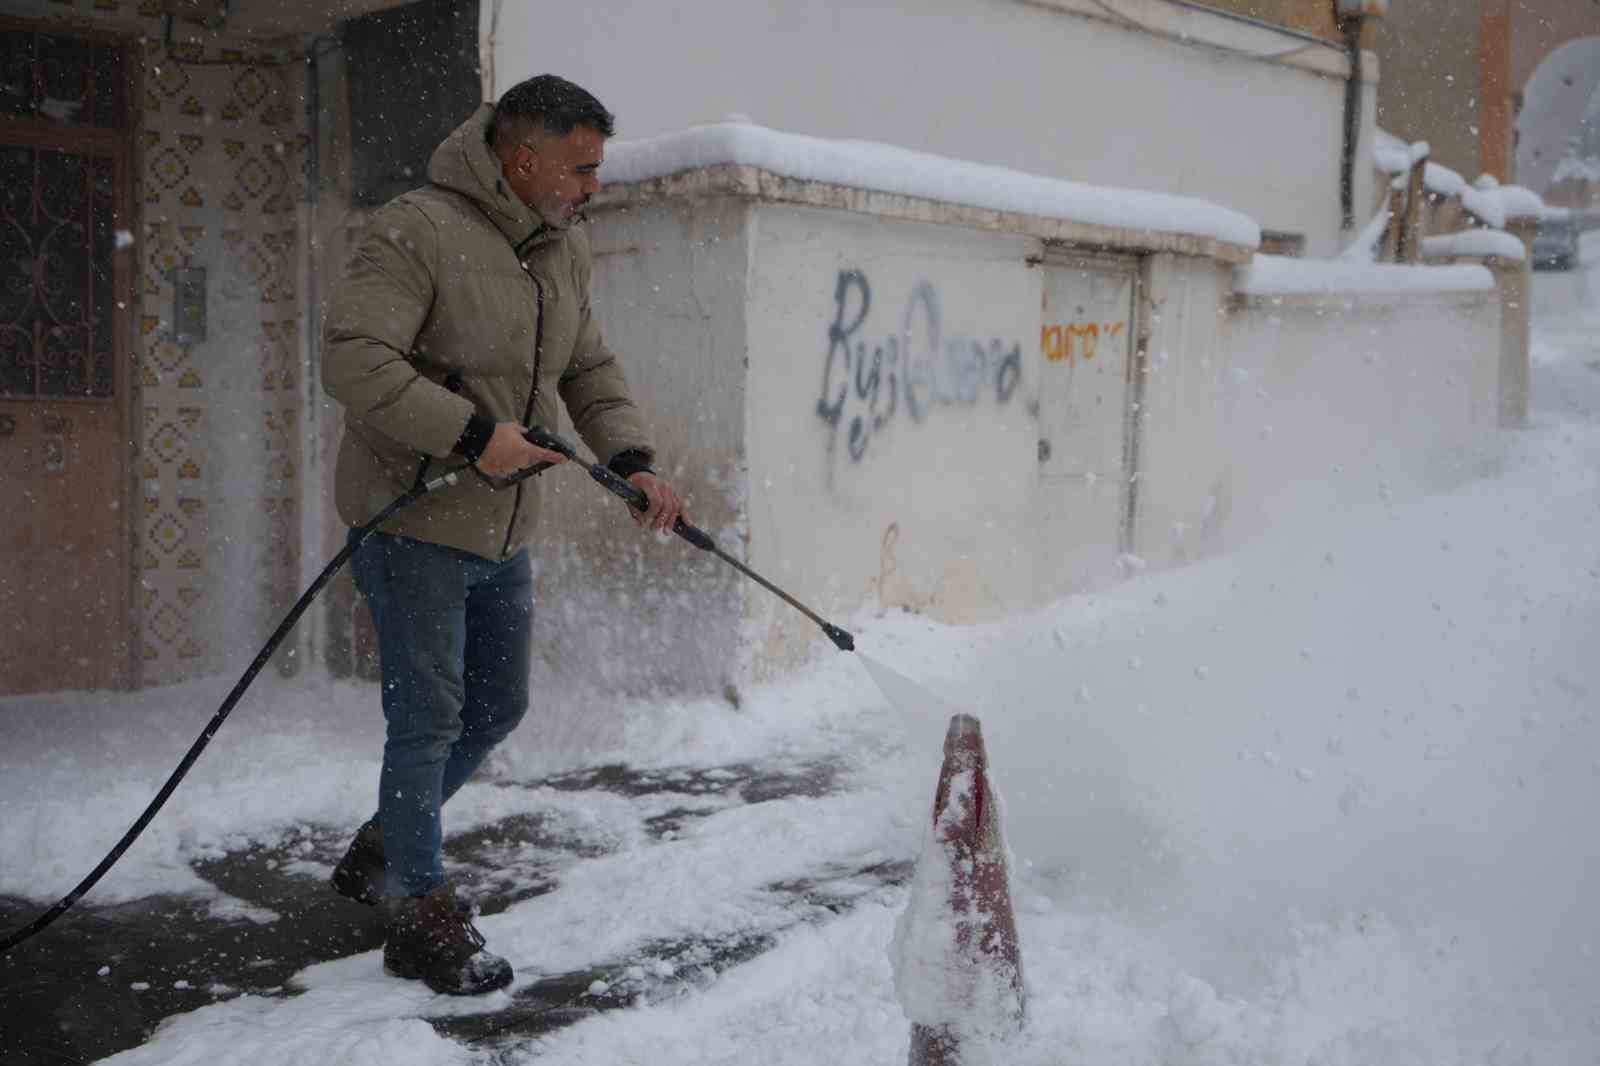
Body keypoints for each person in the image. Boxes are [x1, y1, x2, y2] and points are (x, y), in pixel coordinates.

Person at [320, 75, 684, 996]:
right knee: (429, 718)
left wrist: (632, 458)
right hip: (414, 520)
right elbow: (353, 360)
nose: (593, 186)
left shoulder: (560, 248)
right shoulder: (416, 229)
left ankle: (381, 849)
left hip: (505, 528)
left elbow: (588, 365)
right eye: (582, 167)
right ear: (523, 159)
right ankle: (421, 911)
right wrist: (475, 436)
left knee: (495, 709)